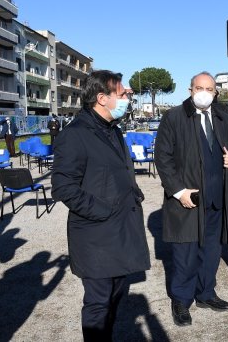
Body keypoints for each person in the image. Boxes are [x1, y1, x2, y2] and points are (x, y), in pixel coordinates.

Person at [51, 70, 150, 340]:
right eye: (121, 94)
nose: (127, 98)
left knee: (117, 296)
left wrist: (135, 193)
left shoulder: (113, 130)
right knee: (98, 304)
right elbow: (63, 188)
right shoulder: (75, 135)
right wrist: (104, 211)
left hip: (120, 233)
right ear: (102, 98)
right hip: (96, 236)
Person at [154, 71, 228, 327]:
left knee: (211, 252)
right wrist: (178, 191)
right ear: (190, 90)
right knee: (185, 254)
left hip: (217, 199)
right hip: (188, 200)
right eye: (199, 87)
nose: (204, 92)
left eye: (209, 88)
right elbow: (163, 158)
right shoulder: (174, 117)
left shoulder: (223, 118)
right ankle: (181, 300)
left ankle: (206, 293)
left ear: (215, 92)